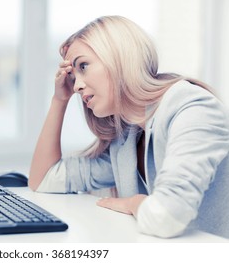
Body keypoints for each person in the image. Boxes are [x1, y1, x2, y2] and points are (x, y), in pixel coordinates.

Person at [28, 15, 229, 239]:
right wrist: (59, 100)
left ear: (119, 57)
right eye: (73, 77)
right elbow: (43, 178)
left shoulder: (193, 109)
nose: (77, 86)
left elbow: (166, 217)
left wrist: (134, 203)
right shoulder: (126, 138)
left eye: (83, 66)